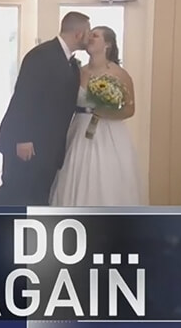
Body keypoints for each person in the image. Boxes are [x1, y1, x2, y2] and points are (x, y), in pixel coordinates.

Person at [0, 12, 90, 206]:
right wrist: (23, 139)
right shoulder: (42, 55)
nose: (89, 37)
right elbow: (24, 97)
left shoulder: (71, 63)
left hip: (48, 146)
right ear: (78, 34)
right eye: (88, 32)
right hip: (27, 143)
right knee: (14, 194)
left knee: (37, 196)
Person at [51, 25, 142, 206]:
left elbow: (129, 110)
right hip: (79, 129)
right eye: (90, 35)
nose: (90, 38)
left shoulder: (119, 74)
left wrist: (105, 110)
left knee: (105, 176)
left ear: (107, 44)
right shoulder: (78, 71)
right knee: (76, 172)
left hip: (108, 132)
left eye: (95, 36)